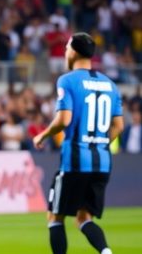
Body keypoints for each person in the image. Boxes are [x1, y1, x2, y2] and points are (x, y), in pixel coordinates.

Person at [33, 32, 124, 254]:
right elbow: (119, 126)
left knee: (55, 217)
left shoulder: (67, 80)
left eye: (66, 48)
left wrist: (42, 135)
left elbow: (64, 119)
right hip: (102, 162)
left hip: (75, 161)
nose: (65, 52)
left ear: (73, 51)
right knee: (84, 218)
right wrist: (98, 142)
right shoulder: (110, 85)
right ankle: (106, 252)